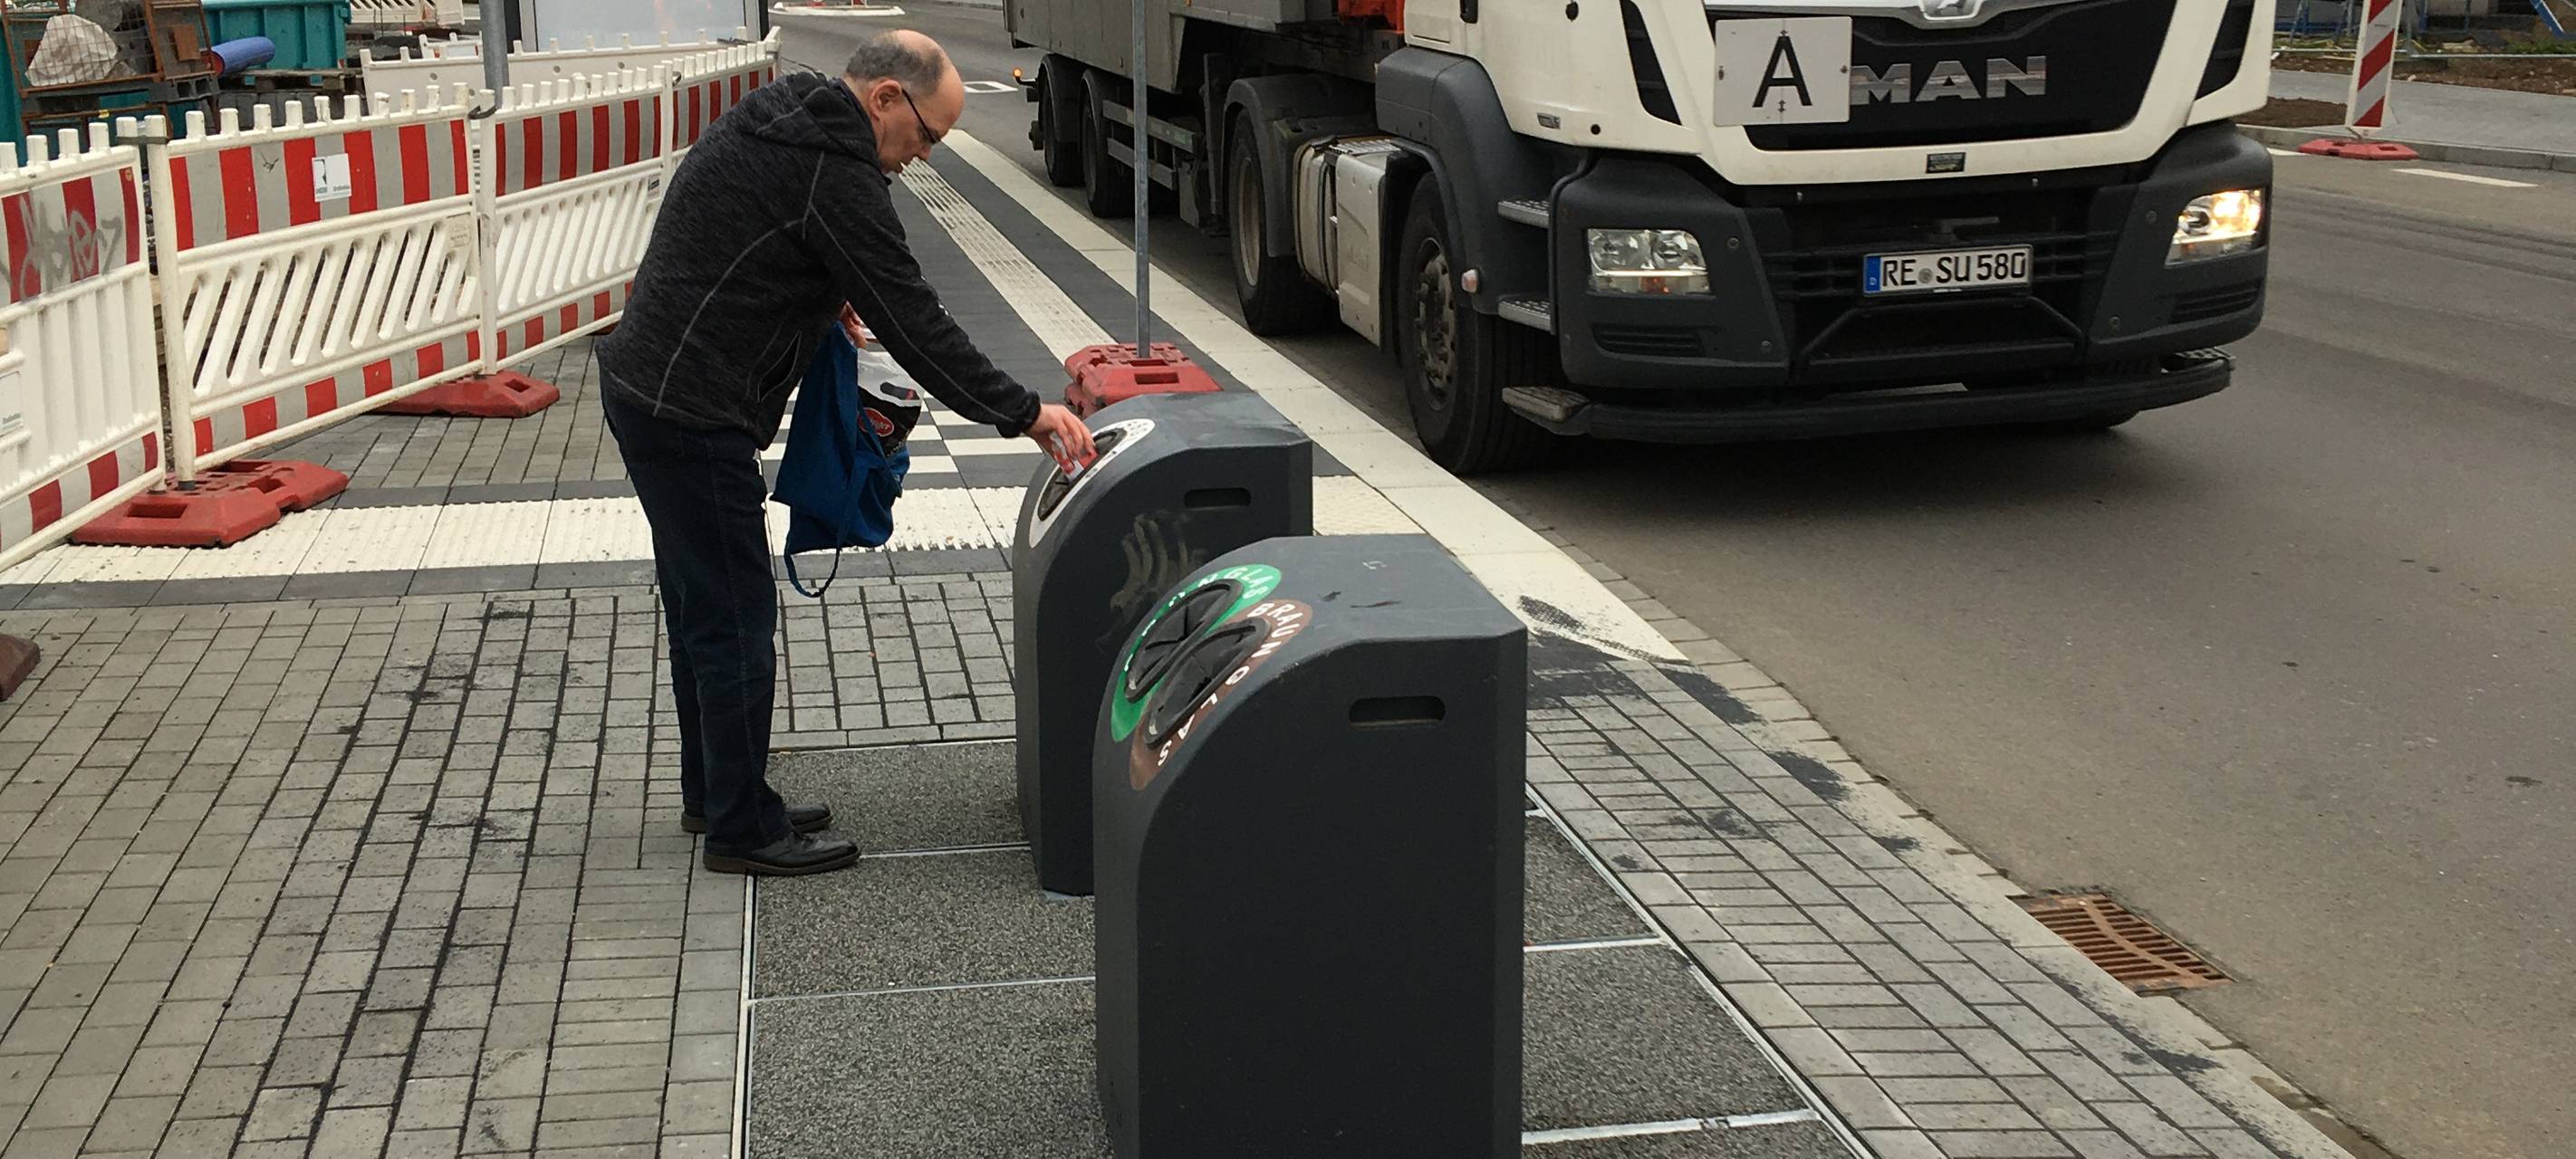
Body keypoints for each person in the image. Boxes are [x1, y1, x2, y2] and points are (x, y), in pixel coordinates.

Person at [595, 29, 1098, 876]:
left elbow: (742, 228)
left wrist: (819, 298)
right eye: (927, 136)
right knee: (734, 619)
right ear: (884, 100)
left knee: (702, 611)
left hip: (652, 387)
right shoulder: (837, 170)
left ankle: (718, 790)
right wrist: (1026, 414)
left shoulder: (782, 113)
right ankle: (743, 832)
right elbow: (914, 319)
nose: (922, 156)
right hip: (686, 408)